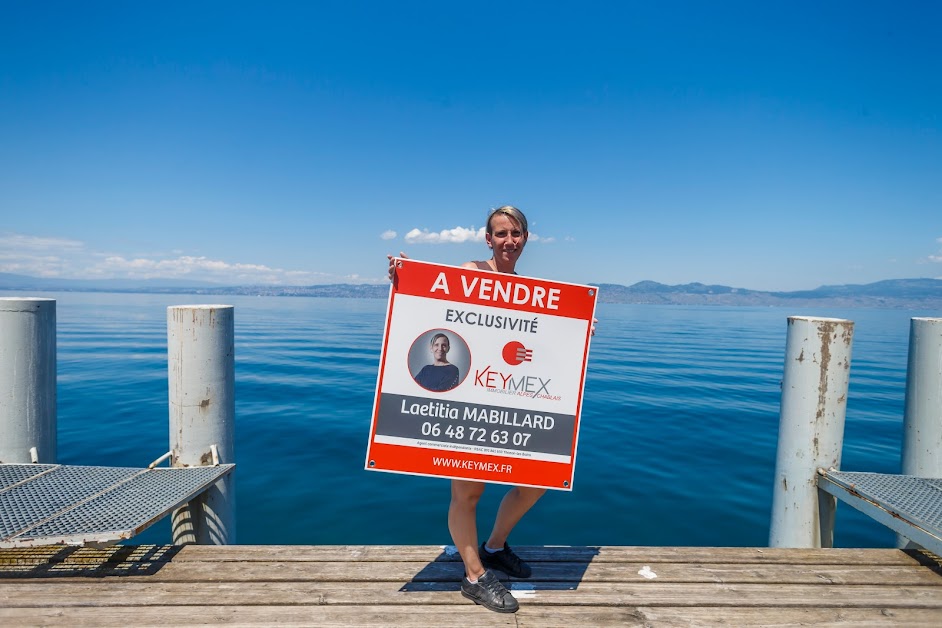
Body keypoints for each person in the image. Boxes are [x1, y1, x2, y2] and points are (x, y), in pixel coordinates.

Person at [387, 205, 541, 614]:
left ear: (526, 238)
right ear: (488, 239)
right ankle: (475, 576)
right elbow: (435, 306)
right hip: (465, 402)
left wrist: (576, 331)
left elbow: (532, 350)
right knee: (468, 490)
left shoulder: (531, 291)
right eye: (501, 233)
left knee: (538, 479)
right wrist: (403, 281)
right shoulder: (472, 271)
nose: (510, 240)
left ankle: (493, 546)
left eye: (517, 233)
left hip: (507, 400)